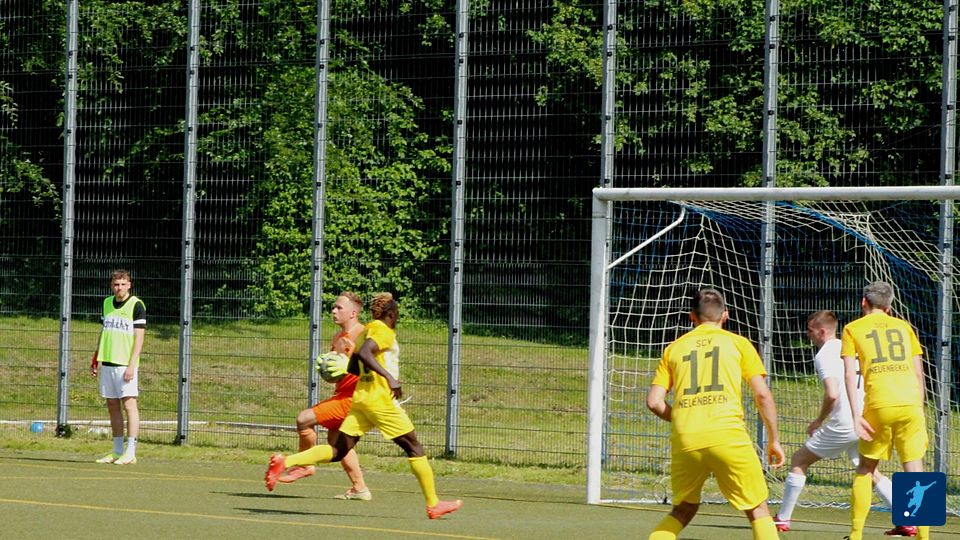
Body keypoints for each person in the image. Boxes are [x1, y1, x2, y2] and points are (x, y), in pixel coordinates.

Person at [264, 292, 462, 520]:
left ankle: (285, 462)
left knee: (338, 450)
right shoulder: (382, 331)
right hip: (380, 401)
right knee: (414, 448)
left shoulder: (366, 331)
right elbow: (366, 352)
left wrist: (347, 368)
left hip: (361, 400)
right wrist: (389, 378)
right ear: (391, 314)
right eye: (396, 313)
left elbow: (353, 367)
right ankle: (433, 504)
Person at [645, 288, 785, 540]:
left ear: (692, 317)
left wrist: (683, 418)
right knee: (757, 509)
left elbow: (654, 402)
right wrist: (774, 439)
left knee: (683, 509)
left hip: (686, 439)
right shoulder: (739, 344)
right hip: (727, 435)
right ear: (725, 316)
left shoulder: (673, 349)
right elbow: (762, 395)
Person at [773, 310, 894, 532]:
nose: (808, 335)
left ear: (821, 331)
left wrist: (818, 421)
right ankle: (908, 519)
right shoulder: (850, 347)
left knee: (799, 460)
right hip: (867, 419)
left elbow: (832, 394)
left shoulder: (825, 354)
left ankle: (782, 518)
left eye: (810, 330)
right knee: (869, 470)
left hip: (846, 422)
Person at [842, 281, 929, 540]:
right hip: (910, 403)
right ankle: (924, 536)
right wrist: (919, 409)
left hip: (879, 403)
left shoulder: (852, 328)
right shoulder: (905, 327)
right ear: (889, 307)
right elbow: (919, 373)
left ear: (863, 302)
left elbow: (849, 374)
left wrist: (856, 415)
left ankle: (856, 534)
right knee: (916, 470)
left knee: (866, 468)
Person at [278, 291, 371, 500]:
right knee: (337, 442)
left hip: (355, 398)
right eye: (333, 307)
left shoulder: (364, 334)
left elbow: (374, 366)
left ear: (353, 313)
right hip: (342, 395)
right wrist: (327, 370)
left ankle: (305, 465)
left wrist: (350, 367)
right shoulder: (338, 338)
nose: (334, 311)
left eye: (339, 307)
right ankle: (360, 488)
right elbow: (339, 374)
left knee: (304, 419)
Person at [89, 269, 146, 465]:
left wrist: (131, 365)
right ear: (111, 286)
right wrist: (96, 357)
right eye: (116, 284)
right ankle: (117, 451)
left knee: (129, 404)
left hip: (125, 364)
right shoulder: (107, 303)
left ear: (129, 285)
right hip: (108, 362)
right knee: (112, 405)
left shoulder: (136, 305)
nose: (119, 288)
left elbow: (139, 338)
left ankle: (131, 452)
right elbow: (104, 332)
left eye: (123, 284)